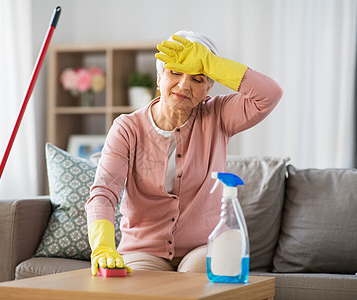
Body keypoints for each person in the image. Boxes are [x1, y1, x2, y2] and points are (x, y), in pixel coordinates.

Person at [85, 30, 282, 276]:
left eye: (198, 79)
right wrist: (102, 247)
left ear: (209, 86)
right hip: (143, 250)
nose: (183, 85)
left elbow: (270, 95)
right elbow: (104, 192)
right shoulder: (127, 128)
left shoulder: (218, 115)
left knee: (194, 285)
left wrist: (212, 64)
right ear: (159, 78)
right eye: (175, 72)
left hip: (202, 248)